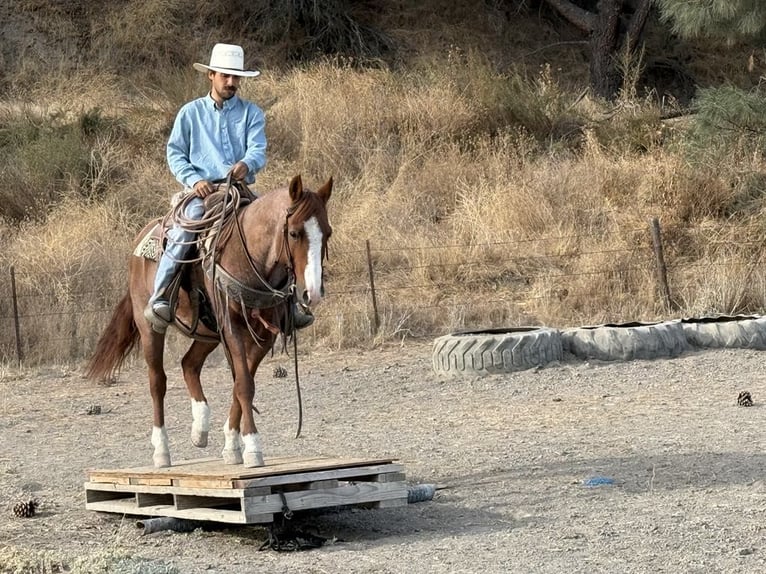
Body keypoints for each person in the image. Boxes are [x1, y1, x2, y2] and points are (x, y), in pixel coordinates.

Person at [144, 43, 268, 330]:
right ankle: (162, 297)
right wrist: (194, 179)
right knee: (185, 231)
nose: (231, 82)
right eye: (225, 76)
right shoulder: (190, 113)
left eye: (236, 77)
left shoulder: (252, 113)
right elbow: (175, 153)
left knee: (279, 228)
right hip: (203, 192)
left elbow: (258, 149)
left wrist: (247, 164)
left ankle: (289, 302)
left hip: (239, 190)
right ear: (210, 75)